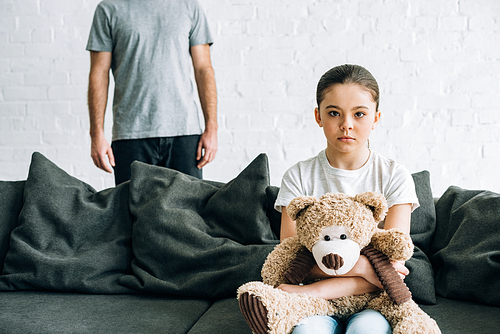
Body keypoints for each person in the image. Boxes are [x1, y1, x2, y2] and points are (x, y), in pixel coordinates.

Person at [274, 64, 419, 334]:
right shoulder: (299, 177)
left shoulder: (394, 176)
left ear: (376, 118)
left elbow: (394, 266)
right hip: (311, 305)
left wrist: (324, 279)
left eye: (359, 114)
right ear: (318, 116)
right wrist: (366, 267)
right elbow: (291, 262)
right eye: (334, 113)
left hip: (374, 304)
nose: (346, 125)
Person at [86, 0, 217, 185]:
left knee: (188, 213)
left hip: (184, 135)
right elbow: (98, 73)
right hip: (130, 136)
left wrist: (212, 128)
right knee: (133, 213)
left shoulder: (189, 7)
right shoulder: (108, 9)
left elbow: (204, 69)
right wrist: (96, 134)